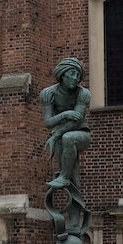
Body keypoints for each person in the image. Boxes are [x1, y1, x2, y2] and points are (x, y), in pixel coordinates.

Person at [40, 57, 92, 190]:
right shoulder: (48, 93)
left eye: (78, 75)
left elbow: (76, 121)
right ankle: (75, 206)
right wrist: (65, 114)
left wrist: (55, 136)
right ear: (63, 74)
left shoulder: (83, 93)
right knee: (71, 173)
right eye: (72, 74)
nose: (75, 78)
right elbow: (47, 122)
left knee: (68, 138)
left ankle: (63, 177)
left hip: (81, 134)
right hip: (58, 136)